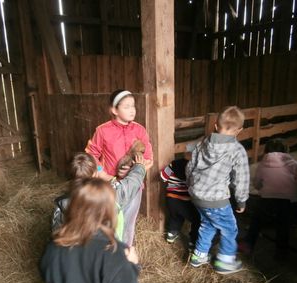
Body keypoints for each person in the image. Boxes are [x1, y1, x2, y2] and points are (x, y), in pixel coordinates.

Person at [40, 178, 140, 283]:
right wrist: (131, 266)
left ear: (73, 207)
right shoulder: (117, 253)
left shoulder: (55, 247)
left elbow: (47, 273)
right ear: (109, 211)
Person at [186, 106, 249, 275]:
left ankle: (199, 256)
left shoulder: (202, 143)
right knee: (229, 228)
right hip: (216, 200)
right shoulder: (237, 150)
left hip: (197, 195)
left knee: (208, 224)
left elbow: (190, 166)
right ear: (239, 130)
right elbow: (241, 178)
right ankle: (225, 261)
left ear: (215, 126)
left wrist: (191, 186)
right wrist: (241, 200)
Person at [86, 89, 153, 245]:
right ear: (114, 110)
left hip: (133, 186)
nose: (132, 110)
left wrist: (136, 170)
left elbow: (149, 158)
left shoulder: (139, 130)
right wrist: (101, 173)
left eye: (133, 106)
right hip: (110, 184)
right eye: (126, 106)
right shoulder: (102, 130)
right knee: (109, 221)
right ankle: (107, 253)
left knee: (129, 223)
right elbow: (91, 154)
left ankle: (124, 254)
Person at [52, 152, 150, 246]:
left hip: (76, 254)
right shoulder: (109, 195)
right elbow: (131, 184)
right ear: (95, 174)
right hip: (108, 250)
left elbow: (57, 234)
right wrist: (139, 166)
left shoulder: (62, 203)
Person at [239, 139, 297, 258]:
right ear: (286, 150)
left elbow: (257, 182)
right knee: (283, 225)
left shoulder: (263, 164)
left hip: (268, 200)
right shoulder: (294, 164)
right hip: (290, 202)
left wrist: (262, 189)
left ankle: (248, 245)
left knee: (256, 221)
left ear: (267, 151)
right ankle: (281, 253)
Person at [160, 145, 200, 248]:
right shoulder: (195, 168)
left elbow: (163, 177)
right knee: (196, 219)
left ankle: (171, 235)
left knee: (175, 216)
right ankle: (193, 241)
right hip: (186, 201)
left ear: (185, 153)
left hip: (171, 199)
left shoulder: (173, 164)